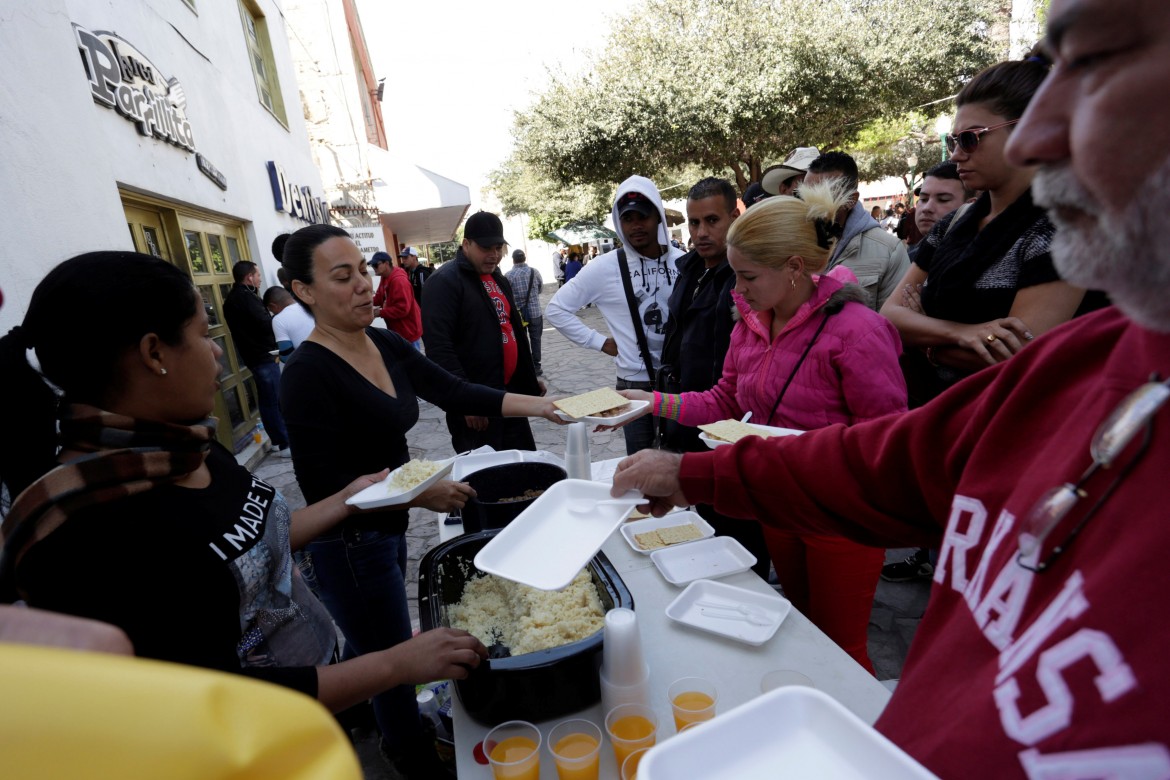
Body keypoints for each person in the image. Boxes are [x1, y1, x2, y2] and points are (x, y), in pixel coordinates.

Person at [611, 0, 1170, 771]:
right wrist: (682, 452)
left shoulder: (861, 329)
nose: (1043, 138)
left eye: (1096, 64)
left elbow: (879, 423)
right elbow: (889, 456)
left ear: (795, 269)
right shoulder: (1086, 359)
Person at [0, 252, 488, 738]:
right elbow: (218, 699)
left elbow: (252, 541)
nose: (216, 352)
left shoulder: (185, 448)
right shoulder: (90, 528)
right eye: (202, 335)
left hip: (308, 714)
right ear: (154, 354)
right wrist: (393, 666)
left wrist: (349, 498)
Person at [277, 224, 559, 775]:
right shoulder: (306, 374)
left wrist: (540, 406)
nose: (364, 285)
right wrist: (418, 495)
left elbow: (453, 390)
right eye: (343, 276)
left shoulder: (381, 342)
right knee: (391, 664)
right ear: (304, 291)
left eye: (363, 270)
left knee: (371, 639)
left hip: (387, 533)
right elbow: (325, 491)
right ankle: (407, 753)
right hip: (349, 548)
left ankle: (362, 716)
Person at [621, 182, 906, 672]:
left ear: (794, 268)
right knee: (804, 629)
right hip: (779, 499)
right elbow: (725, 400)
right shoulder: (750, 323)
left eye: (747, 276)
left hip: (840, 513)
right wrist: (652, 403)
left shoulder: (857, 331)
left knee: (841, 647)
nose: (738, 289)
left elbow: (885, 442)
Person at [880, 58, 1096, 409]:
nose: (956, 155)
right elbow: (889, 316)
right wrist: (962, 333)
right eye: (954, 141)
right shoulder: (956, 222)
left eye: (970, 139)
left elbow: (1018, 357)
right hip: (938, 413)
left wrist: (925, 337)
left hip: (1015, 423)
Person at [656, 177, 770, 576]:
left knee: (739, 541)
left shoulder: (748, 282)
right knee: (703, 530)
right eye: (693, 223)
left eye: (711, 221)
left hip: (731, 429)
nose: (701, 232)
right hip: (691, 417)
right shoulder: (687, 269)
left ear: (735, 217)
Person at [546, 176, 684, 454]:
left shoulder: (681, 261)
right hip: (634, 382)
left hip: (678, 381)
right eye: (627, 218)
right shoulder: (605, 267)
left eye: (642, 216)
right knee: (641, 463)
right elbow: (557, 309)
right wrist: (600, 342)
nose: (635, 225)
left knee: (680, 460)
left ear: (658, 217)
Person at [422, 212, 544, 453]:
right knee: (486, 481)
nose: (494, 254)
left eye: (498, 247)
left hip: (509, 399)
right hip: (475, 407)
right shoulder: (444, 282)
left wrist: (526, 380)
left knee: (526, 469)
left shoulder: (499, 278)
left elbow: (510, 330)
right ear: (466, 244)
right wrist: (466, 402)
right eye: (486, 247)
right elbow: (439, 348)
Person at [803, 152, 911, 311]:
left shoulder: (888, 250)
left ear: (851, 200)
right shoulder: (790, 240)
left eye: (821, 196)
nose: (809, 205)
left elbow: (894, 322)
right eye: (805, 194)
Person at [222, 260, 291, 456]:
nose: (260, 279)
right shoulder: (243, 299)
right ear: (249, 277)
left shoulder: (241, 297)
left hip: (258, 355)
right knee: (272, 399)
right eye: (258, 275)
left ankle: (280, 439)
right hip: (261, 357)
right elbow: (263, 324)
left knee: (271, 398)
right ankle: (282, 442)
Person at [369, 251, 423, 350]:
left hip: (408, 331)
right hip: (399, 331)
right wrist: (364, 302)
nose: (373, 267)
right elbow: (379, 298)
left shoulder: (399, 281)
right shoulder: (385, 277)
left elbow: (402, 309)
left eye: (376, 264)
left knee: (414, 363)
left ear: (386, 264)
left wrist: (379, 312)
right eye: (372, 265)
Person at [505, 248, 545, 375]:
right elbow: (540, 288)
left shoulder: (508, 276)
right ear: (524, 258)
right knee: (536, 339)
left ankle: (526, 365)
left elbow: (507, 295)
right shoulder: (534, 272)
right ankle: (536, 365)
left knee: (522, 340)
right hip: (535, 312)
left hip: (518, 315)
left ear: (513, 260)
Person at [263, 286, 315, 363]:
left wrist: (279, 356)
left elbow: (287, 357)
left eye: (271, 310)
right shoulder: (308, 305)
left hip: (310, 365)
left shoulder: (278, 319)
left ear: (273, 306)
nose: (273, 313)